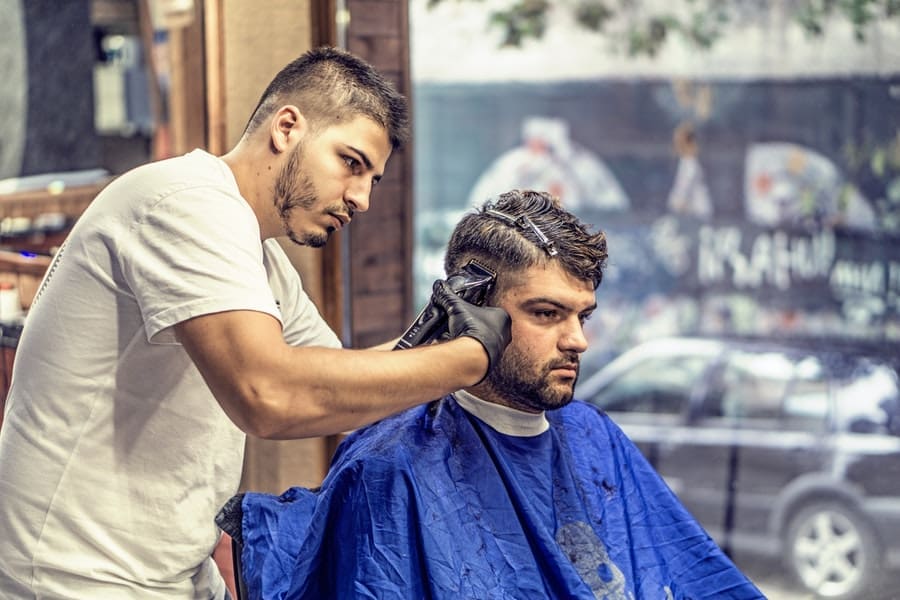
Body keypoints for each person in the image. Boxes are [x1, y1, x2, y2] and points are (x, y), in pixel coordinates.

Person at [0, 46, 510, 599]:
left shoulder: (260, 258)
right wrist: (467, 360)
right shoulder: (185, 203)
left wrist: (437, 334)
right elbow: (269, 395)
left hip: (171, 573)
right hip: (69, 578)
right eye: (351, 163)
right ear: (287, 126)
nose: (361, 198)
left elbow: (334, 381)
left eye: (374, 180)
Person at [222, 189, 764, 600]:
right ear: (472, 310)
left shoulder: (594, 435)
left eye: (583, 315)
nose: (578, 340)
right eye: (547, 314)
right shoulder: (392, 468)